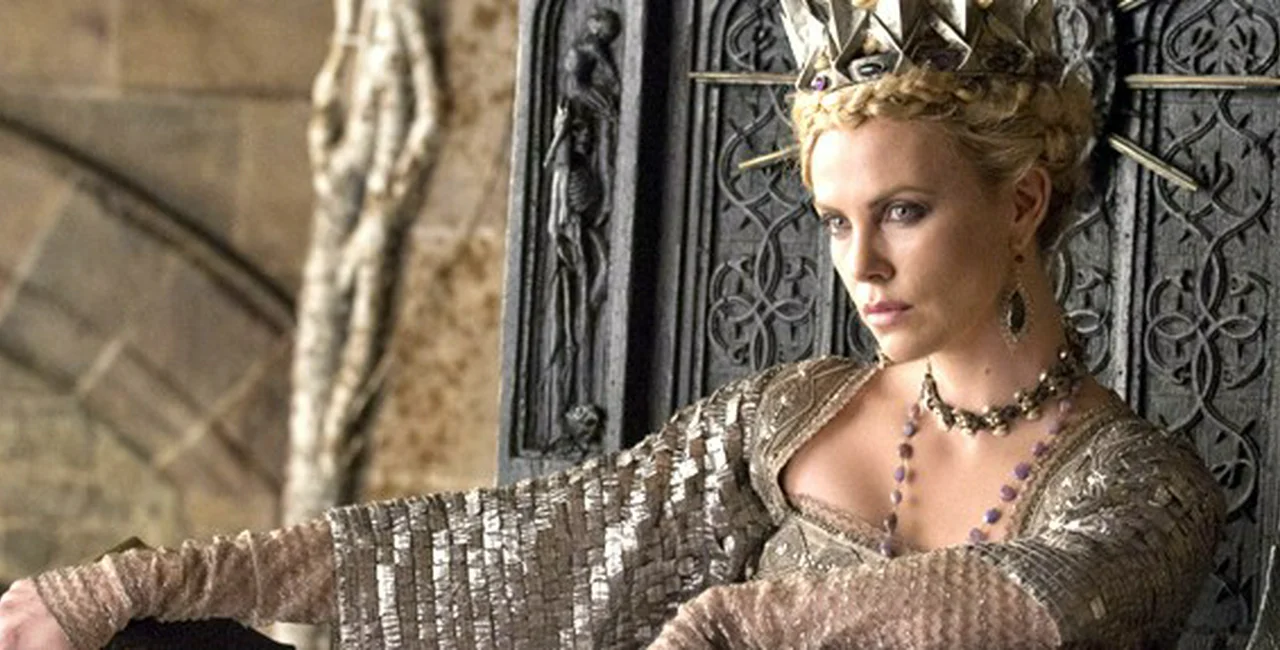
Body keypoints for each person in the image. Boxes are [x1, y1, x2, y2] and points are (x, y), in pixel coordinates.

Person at [0, 1, 1224, 648]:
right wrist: (146, 579)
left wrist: (739, 617)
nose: (857, 262)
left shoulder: (1136, 486)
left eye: (901, 211)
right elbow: (509, 543)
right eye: (832, 218)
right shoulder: (794, 415)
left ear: (1019, 202)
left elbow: (1030, 604)